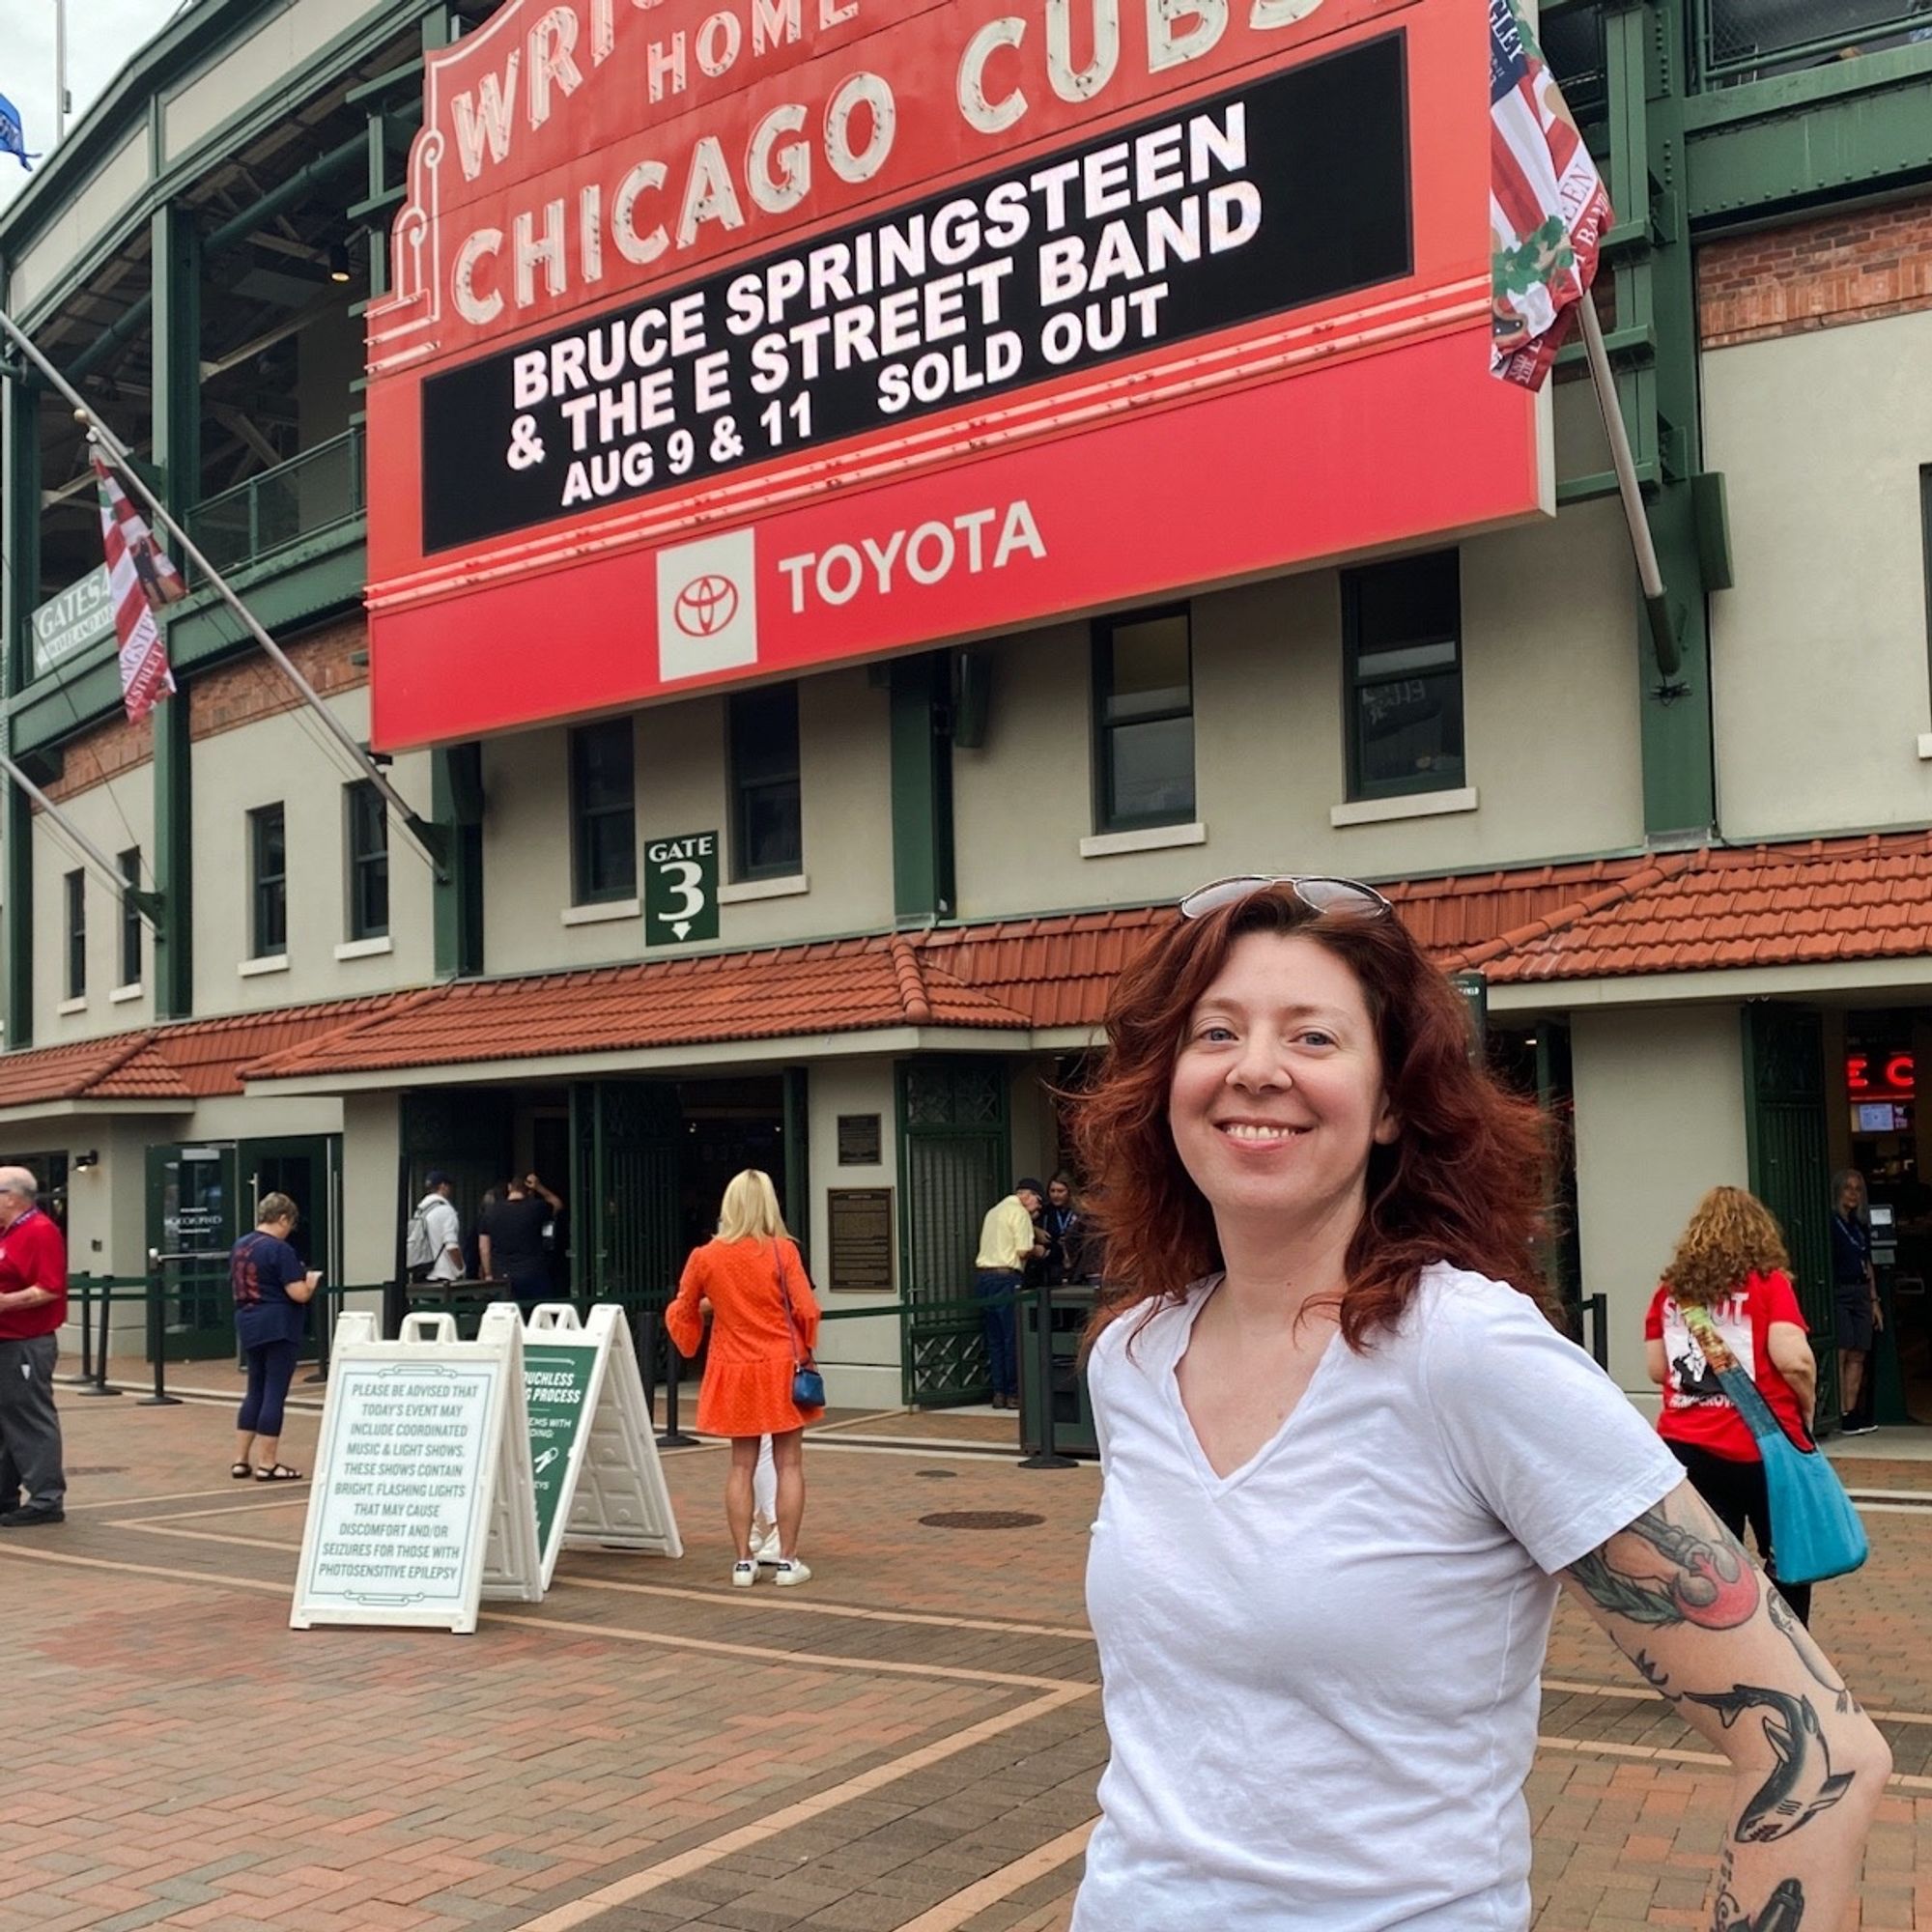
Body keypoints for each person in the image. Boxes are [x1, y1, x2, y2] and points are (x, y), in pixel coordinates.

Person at [1068, 873, 1888, 1930]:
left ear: (1391, 1102)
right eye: (1213, 1031)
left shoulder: (1466, 1353)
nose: (1255, 1068)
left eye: (1312, 1038)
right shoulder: (1132, 1356)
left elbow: (1820, 1753)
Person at [1646, 1187, 1821, 1626]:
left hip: (1685, 1447)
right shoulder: (1768, 1284)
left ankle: (1722, 1659)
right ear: (1760, 1233)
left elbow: (1655, 1369)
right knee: (1787, 1559)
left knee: (1709, 1565)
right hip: (1761, 1449)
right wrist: (1809, 1408)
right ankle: (1787, 1652)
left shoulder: (1670, 1293)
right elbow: (1794, 1360)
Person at [666, 1170, 821, 1587]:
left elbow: (681, 1310)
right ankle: (787, 1561)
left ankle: (742, 1562)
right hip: (780, 1364)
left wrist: (695, 1330)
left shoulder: (706, 1256)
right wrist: (806, 1347)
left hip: (732, 1367)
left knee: (740, 1464)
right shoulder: (782, 1251)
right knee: (789, 1463)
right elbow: (806, 1308)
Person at [230, 1192, 320, 1482]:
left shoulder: (240, 1245)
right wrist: (311, 1281)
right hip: (279, 1324)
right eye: (289, 1224)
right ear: (282, 1218)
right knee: (274, 1393)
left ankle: (241, 1460)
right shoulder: (279, 1250)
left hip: (248, 1320)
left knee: (254, 1388)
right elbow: (298, 1293)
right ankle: (268, 1463)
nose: (289, 1230)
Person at [0, 1166, 69, 1527]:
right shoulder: (9, 1232)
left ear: (11, 1197)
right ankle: (5, 1494)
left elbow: (49, 1287)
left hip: (26, 1342)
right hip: (7, 1340)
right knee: (7, 1419)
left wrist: (5, 1302)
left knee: (29, 1418)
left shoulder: (39, 1231)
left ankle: (46, 1498)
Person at [973, 1178, 1044, 1409]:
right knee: (1012, 1338)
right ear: (1028, 1196)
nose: (1038, 1208)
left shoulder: (994, 1211)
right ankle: (1015, 1394)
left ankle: (999, 1392)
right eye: (1038, 1202)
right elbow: (1023, 1250)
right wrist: (1039, 1249)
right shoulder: (1020, 1213)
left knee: (994, 1339)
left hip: (984, 1279)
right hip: (1007, 1279)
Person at [1831, 1169, 1881, 1434]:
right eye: (1848, 1188)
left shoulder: (1859, 1225)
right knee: (1842, 1349)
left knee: (1859, 1352)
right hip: (1840, 1291)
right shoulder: (1830, 1223)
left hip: (1862, 1292)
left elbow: (1867, 1262)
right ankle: (1837, 1412)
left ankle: (1851, 1412)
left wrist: (1874, 1301)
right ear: (1838, 1191)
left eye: (1858, 1189)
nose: (1853, 1194)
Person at [479, 1173, 562, 1311]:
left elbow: (484, 1247)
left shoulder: (490, 1212)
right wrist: (540, 1187)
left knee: (508, 1318)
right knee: (538, 1316)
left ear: (509, 1187)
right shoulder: (537, 1208)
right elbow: (557, 1204)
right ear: (529, 1192)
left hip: (502, 1276)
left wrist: (488, 1274)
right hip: (534, 1273)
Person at [407, 1172, 463, 1285]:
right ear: (442, 1186)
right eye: (448, 1186)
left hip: (422, 1274)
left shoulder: (420, 1211)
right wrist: (461, 1269)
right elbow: (451, 1246)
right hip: (444, 1276)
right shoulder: (446, 1211)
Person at [1040, 1172, 1087, 1287]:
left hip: (1077, 1267)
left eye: (1060, 1191)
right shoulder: (1046, 1212)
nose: (1056, 1195)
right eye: (1052, 1191)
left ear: (1070, 1192)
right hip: (1052, 1266)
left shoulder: (1081, 1212)